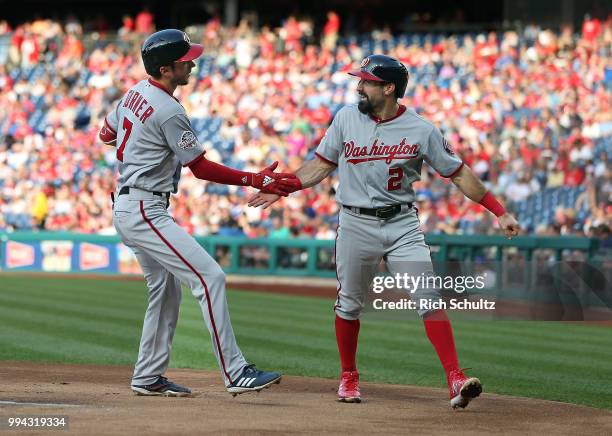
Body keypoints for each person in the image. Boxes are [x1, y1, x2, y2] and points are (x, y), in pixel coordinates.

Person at [248, 54, 520, 408]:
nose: (359, 86)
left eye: (366, 81)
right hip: (355, 221)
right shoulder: (346, 118)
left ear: (389, 88)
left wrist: (499, 211)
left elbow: (459, 173)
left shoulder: (422, 129)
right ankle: (348, 375)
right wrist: (284, 186)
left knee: (428, 297)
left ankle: (454, 377)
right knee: (349, 303)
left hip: (402, 223)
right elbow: (320, 166)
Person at [99, 29, 295, 397]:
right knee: (210, 278)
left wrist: (140, 145)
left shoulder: (133, 93)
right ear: (164, 68)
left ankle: (147, 376)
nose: (192, 63)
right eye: (184, 60)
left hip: (131, 202)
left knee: (165, 288)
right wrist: (255, 178)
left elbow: (106, 134)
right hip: (143, 207)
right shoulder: (169, 109)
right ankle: (236, 372)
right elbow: (201, 168)